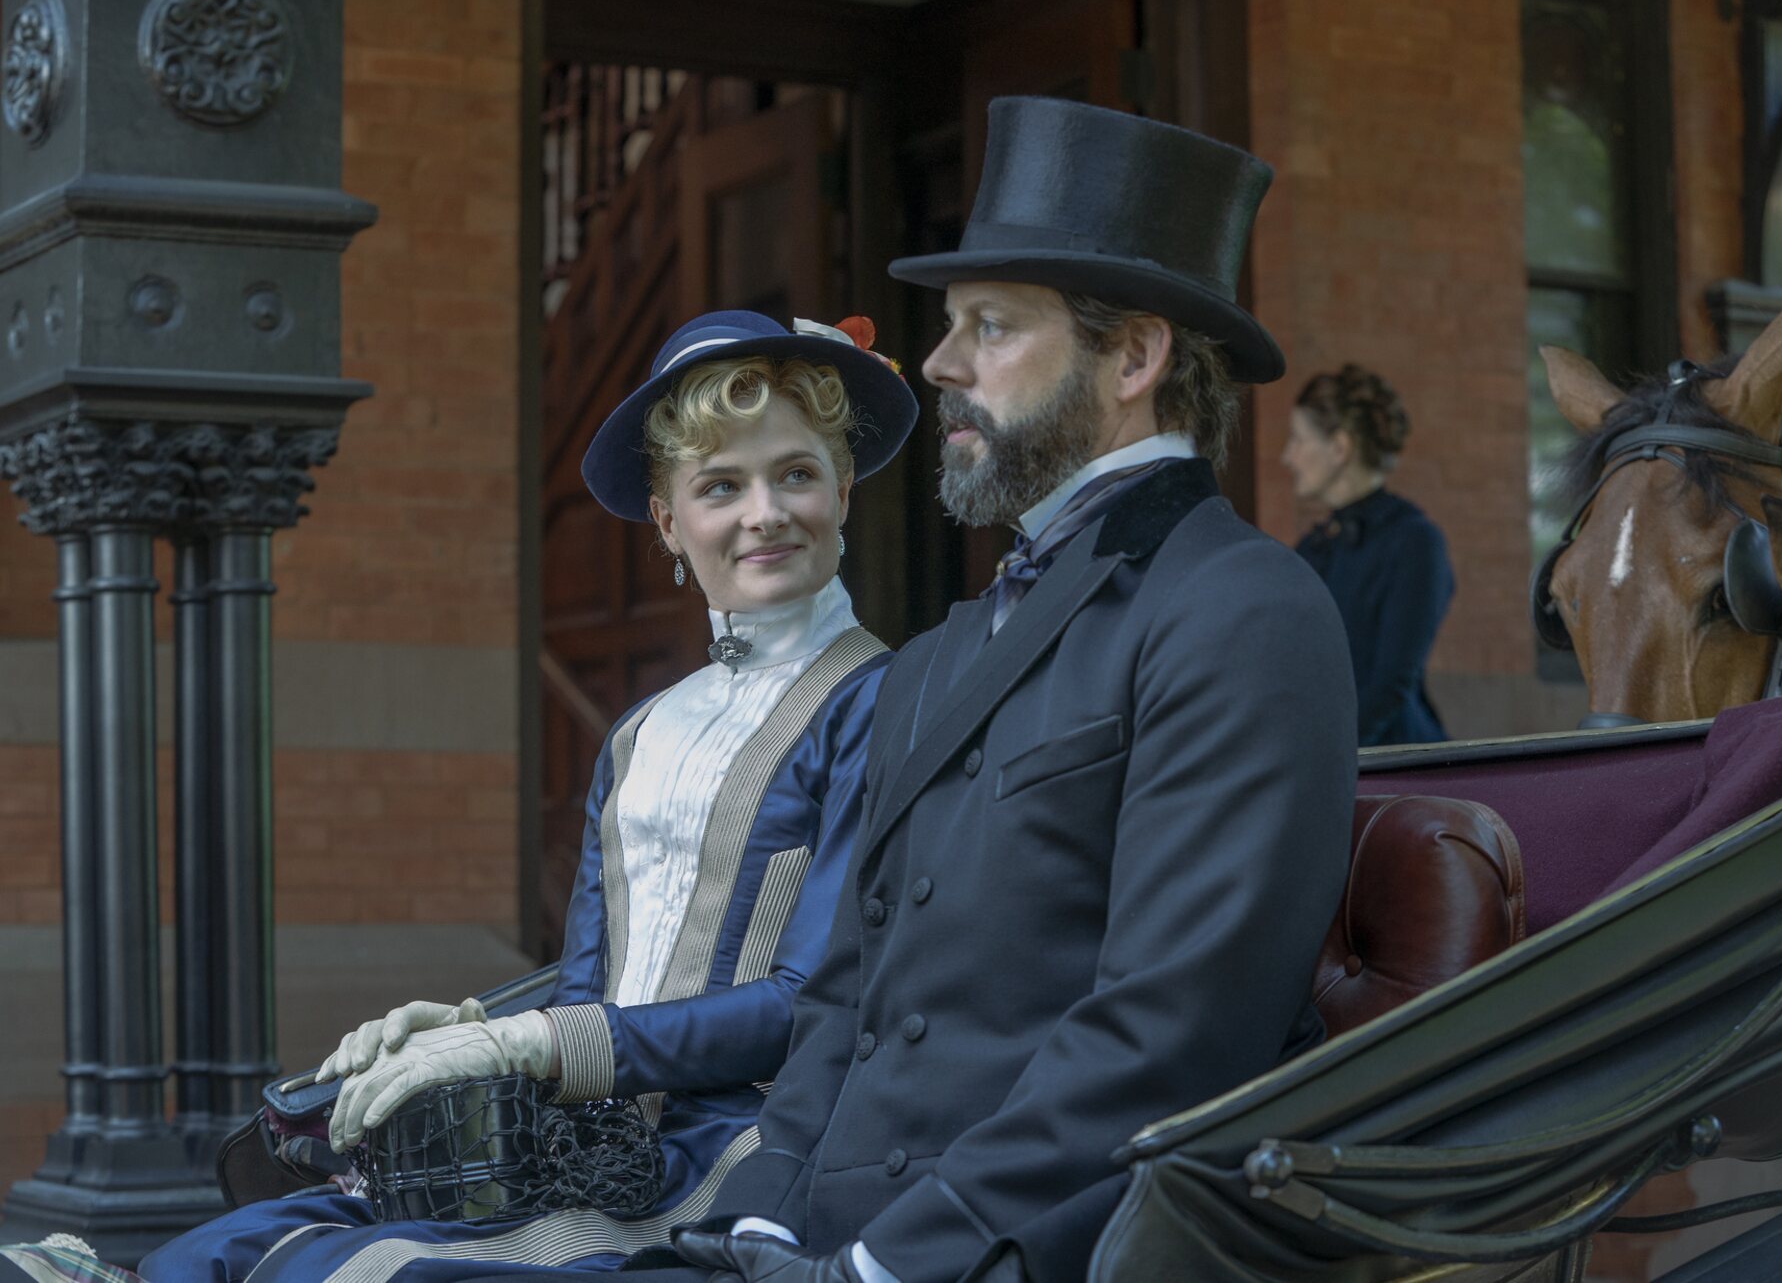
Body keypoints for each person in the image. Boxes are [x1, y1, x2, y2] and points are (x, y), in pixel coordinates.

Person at [640, 97, 1357, 1283]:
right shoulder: (937, 652)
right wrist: (765, 1212)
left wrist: (881, 1263)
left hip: (1028, 1252)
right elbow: (844, 993)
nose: (939, 363)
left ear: (1132, 357)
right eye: (948, 324)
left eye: (990, 326)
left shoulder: (1245, 610)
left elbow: (1168, 1036)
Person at [135, 310, 918, 1282]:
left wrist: (520, 1039)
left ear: (843, 488)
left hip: (749, 1145)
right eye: (721, 485)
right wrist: (468, 1024)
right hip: (586, 1131)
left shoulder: (883, 700)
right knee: (227, 1245)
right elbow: (590, 987)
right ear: (668, 519)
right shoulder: (641, 730)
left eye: (795, 473)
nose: (765, 510)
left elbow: (806, 1005)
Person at [1282, 364, 1454, 746]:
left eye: (1298, 440)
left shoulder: (1415, 541)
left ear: (1340, 448)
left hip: (1391, 764)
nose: (1287, 457)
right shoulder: (1315, 547)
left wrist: (1326, 760)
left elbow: (1391, 682)